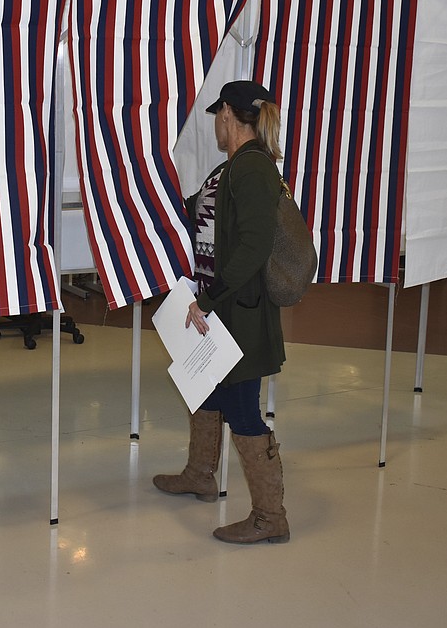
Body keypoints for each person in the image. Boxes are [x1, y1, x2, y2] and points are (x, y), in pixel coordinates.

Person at [153, 79, 289, 545]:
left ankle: (271, 517)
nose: (215, 123)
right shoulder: (228, 169)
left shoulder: (253, 170)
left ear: (228, 114)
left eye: (217, 115)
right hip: (220, 306)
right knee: (204, 387)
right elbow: (192, 215)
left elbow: (253, 247)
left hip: (240, 313)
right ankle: (200, 474)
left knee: (241, 408)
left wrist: (207, 302)